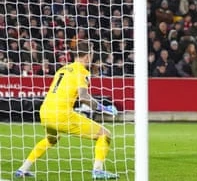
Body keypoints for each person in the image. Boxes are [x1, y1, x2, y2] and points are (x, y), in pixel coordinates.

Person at [15, 41, 119, 179]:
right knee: (105, 134)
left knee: (51, 139)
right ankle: (98, 170)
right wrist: (103, 107)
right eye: (92, 55)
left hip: (45, 112)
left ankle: (22, 169)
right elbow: (83, 96)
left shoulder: (63, 69)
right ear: (87, 56)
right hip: (62, 114)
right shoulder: (82, 71)